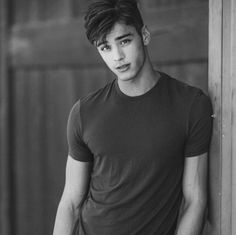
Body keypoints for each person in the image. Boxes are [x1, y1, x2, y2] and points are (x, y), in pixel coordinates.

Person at [53, 0, 213, 234]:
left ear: (145, 35)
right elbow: (70, 203)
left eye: (124, 41)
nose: (117, 56)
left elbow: (195, 200)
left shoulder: (191, 105)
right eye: (105, 47)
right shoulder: (83, 113)